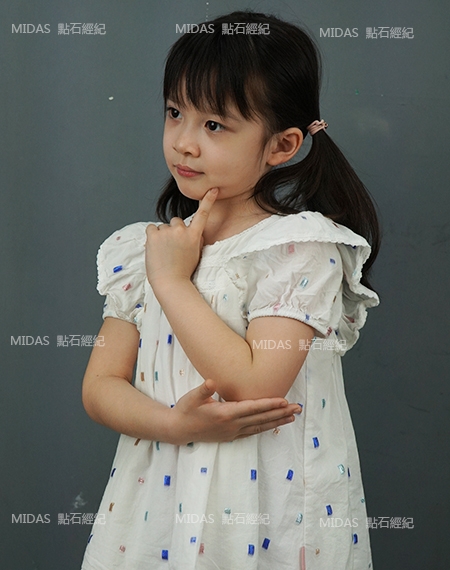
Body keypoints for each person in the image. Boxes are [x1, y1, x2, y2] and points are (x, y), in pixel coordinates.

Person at [81, 10, 380, 570]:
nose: (184, 143)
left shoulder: (297, 248)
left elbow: (255, 385)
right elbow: (100, 386)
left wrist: (172, 282)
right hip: (156, 504)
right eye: (175, 113)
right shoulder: (146, 249)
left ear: (281, 145)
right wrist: (173, 425)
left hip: (265, 508)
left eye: (214, 125)